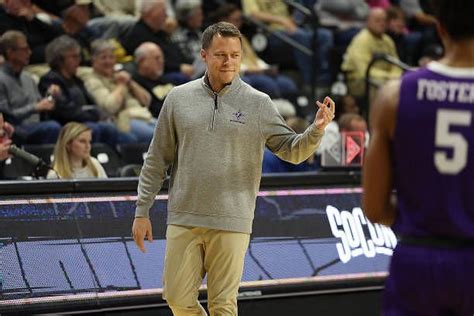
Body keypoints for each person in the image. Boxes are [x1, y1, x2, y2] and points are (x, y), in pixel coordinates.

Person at [131, 22, 336, 315]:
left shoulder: (258, 103)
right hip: (184, 216)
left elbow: (292, 151)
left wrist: (316, 130)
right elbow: (156, 158)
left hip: (232, 219)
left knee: (223, 305)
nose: (229, 62)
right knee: (177, 299)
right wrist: (142, 210)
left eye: (235, 55)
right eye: (220, 55)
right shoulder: (178, 98)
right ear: (204, 55)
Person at [362, 0, 474, 315]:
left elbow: (374, 208)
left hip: (419, 257)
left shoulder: (393, 96)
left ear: (440, 28)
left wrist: (421, 219)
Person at [84, 39, 155, 143]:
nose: (108, 61)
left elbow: (147, 101)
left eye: (111, 57)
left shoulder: (120, 75)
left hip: (144, 116)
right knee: (160, 138)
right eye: (103, 58)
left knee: (177, 132)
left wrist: (130, 83)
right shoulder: (93, 80)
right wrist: (121, 85)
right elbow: (110, 107)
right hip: (124, 120)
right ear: (93, 60)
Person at [0, 30, 62, 145]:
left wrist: (50, 96)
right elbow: (6, 116)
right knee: (52, 127)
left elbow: (41, 107)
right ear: (10, 53)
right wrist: (35, 108)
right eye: (24, 49)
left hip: (35, 126)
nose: (30, 52)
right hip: (13, 128)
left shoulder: (29, 78)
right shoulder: (1, 79)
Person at [132, 42, 175, 118]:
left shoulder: (164, 78)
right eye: (157, 58)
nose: (161, 61)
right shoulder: (136, 84)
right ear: (142, 61)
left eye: (162, 58)